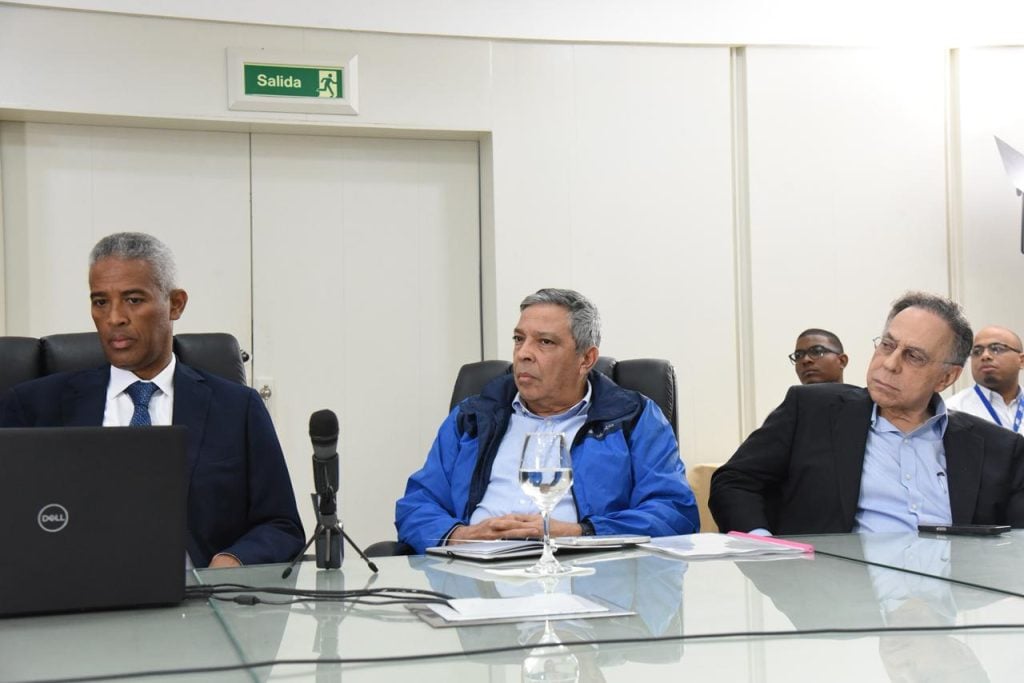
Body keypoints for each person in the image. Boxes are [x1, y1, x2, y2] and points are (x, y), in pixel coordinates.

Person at [0, 232, 304, 567]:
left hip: (197, 593)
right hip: (74, 590)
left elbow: (281, 526)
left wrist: (231, 560)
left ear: (176, 304)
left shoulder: (237, 409)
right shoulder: (33, 407)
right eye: (100, 302)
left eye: (133, 300)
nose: (115, 318)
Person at [395, 288, 699, 553]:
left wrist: (580, 534)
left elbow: (673, 512)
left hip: (585, 577)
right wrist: (459, 536)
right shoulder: (473, 416)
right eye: (519, 339)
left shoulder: (634, 417)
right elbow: (418, 504)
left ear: (586, 359)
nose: (523, 354)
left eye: (545, 342)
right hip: (474, 575)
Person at [710, 291, 1024, 535]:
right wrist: (765, 549)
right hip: (832, 592)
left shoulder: (1000, 448)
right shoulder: (810, 411)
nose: (889, 363)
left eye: (913, 356)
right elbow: (734, 483)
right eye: (887, 345)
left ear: (947, 377)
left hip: (955, 594)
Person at [946, 326, 1024, 434]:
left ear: (1021, 361)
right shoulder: (953, 411)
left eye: (996, 349)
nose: (985, 356)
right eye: (977, 352)